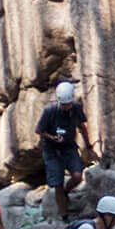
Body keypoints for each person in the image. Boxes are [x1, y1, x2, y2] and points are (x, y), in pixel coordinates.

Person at [38, 81, 96, 219]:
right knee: (57, 182)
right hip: (52, 150)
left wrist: (88, 146)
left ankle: (65, 193)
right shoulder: (50, 111)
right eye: (63, 104)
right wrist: (52, 137)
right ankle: (64, 215)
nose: (66, 107)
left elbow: (82, 127)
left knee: (77, 175)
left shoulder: (76, 108)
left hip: (69, 147)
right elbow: (39, 130)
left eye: (68, 104)